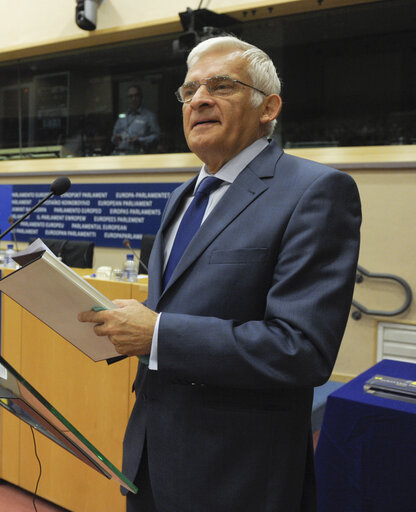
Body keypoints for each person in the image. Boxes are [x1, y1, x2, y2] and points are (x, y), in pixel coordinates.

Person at [78, 36, 361, 511]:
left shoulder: (315, 191)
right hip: (151, 454)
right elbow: (180, 311)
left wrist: (159, 334)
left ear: (268, 107)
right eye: (189, 91)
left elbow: (302, 349)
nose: (200, 99)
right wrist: (130, 325)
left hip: (239, 470)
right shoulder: (181, 196)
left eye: (221, 85)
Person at [111, 85, 160, 154]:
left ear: (141, 97)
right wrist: (116, 138)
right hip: (120, 153)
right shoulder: (122, 117)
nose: (133, 99)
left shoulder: (149, 116)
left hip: (139, 153)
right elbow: (113, 137)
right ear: (128, 99)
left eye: (136, 96)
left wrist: (140, 140)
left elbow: (156, 137)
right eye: (130, 96)